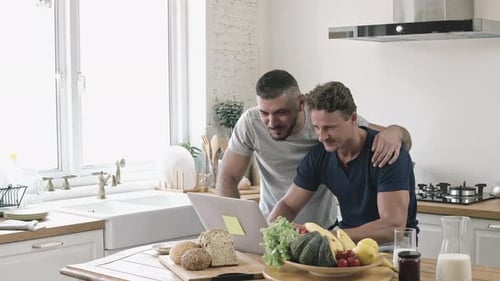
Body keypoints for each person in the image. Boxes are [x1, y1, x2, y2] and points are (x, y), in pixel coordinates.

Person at [216, 69, 412, 229]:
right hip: (283, 227)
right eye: (264, 113)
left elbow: (384, 138)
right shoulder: (319, 152)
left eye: (281, 113)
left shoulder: (328, 119)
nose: (271, 122)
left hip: (325, 229)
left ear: (301, 104)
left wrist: (396, 131)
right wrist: (238, 232)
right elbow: (229, 178)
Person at [267, 80, 417, 244]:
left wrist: (326, 235)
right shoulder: (320, 155)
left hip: (394, 248)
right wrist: (272, 229)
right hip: (346, 242)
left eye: (330, 127)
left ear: (353, 118)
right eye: (316, 127)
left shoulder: (387, 153)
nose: (322, 136)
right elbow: (288, 205)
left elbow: (393, 227)